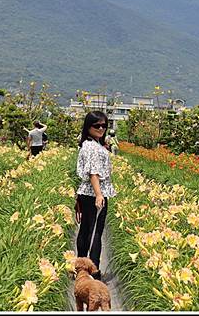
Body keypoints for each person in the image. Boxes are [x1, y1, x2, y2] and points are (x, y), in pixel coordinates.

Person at [75, 111, 116, 281]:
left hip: (86, 193)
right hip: (95, 194)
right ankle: (94, 271)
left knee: (85, 230)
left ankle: (81, 269)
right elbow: (94, 172)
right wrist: (99, 195)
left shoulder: (89, 144)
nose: (101, 128)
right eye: (96, 125)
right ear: (88, 126)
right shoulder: (92, 146)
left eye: (104, 126)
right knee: (95, 232)